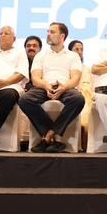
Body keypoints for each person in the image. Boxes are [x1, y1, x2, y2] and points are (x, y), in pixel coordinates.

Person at [21, 21, 85, 153]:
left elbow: (75, 78)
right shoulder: (41, 55)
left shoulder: (73, 56)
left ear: (62, 36)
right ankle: (52, 135)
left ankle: (48, 136)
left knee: (78, 99)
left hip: (65, 87)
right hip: (44, 87)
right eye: (48, 32)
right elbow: (35, 78)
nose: (48, 34)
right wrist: (46, 86)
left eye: (52, 32)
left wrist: (63, 87)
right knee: (25, 100)